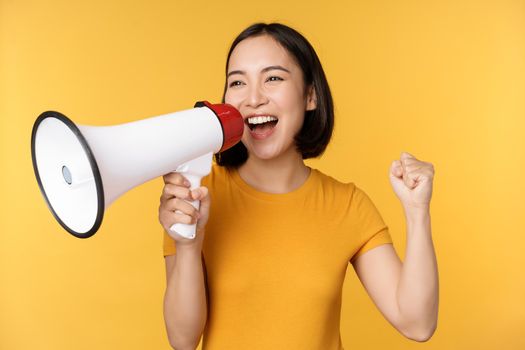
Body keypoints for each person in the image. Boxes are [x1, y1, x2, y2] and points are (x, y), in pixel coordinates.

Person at [159, 23, 438, 350]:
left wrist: (417, 211)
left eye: (273, 78)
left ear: (310, 96)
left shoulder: (347, 205)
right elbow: (182, 340)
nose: (253, 98)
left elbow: (417, 323)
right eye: (237, 82)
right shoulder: (196, 195)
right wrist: (189, 243)